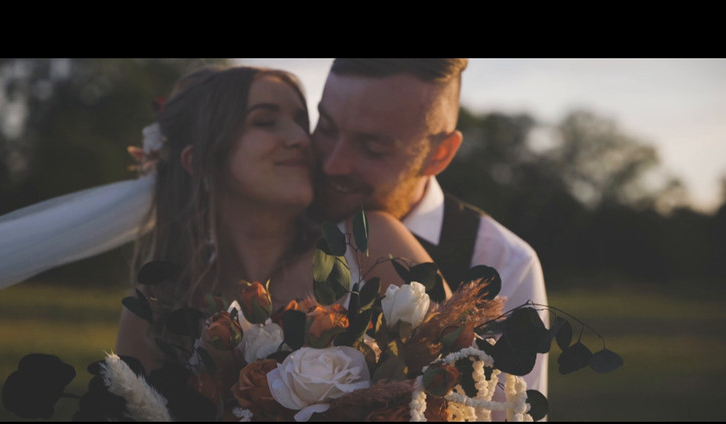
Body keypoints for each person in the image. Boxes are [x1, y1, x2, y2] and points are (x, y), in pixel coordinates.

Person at [114, 65, 437, 376]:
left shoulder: (371, 244)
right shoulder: (155, 311)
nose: (300, 138)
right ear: (201, 162)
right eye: (266, 121)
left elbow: (472, 385)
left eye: (302, 121)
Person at [310, 58, 549, 401]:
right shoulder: (280, 217)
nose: (333, 163)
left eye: (372, 147)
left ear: (439, 154)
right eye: (327, 128)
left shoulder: (503, 261)